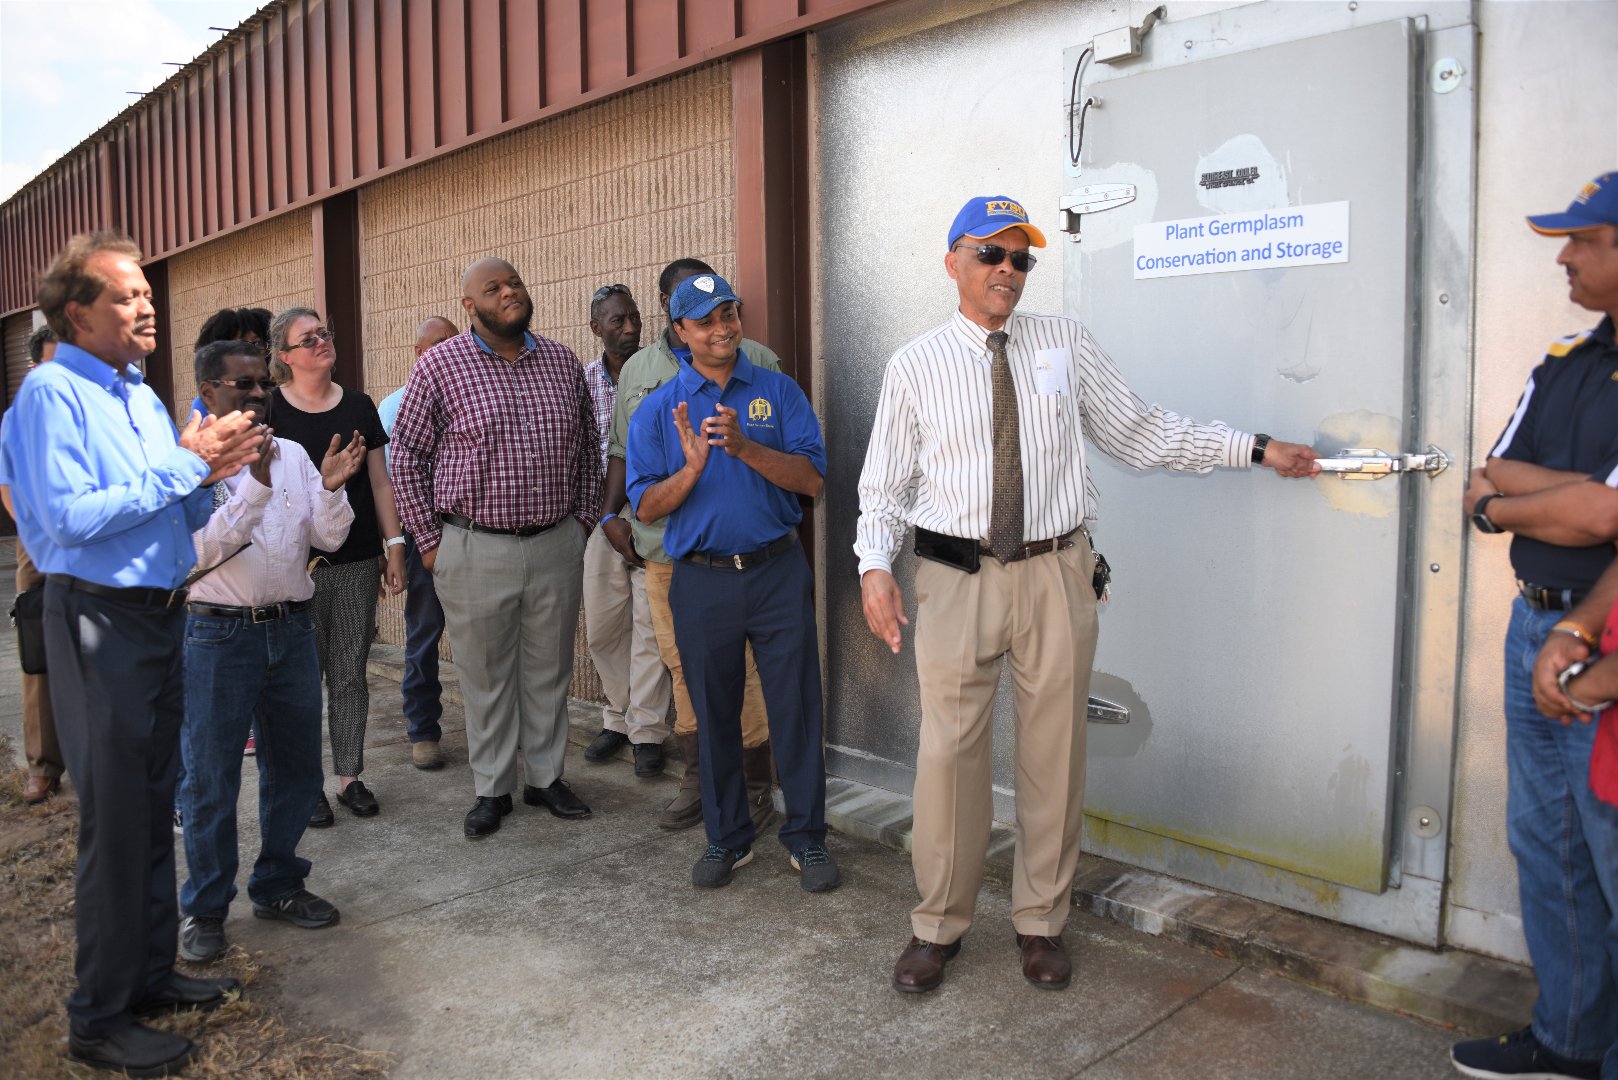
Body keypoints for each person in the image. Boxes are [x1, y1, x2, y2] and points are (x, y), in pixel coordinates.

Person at [854, 196, 1318, 994]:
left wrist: (1256, 446)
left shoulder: (1063, 343)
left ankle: (1041, 923)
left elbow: (1140, 431)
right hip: (955, 579)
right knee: (947, 759)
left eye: (1021, 258)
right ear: (952, 262)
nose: (1007, 270)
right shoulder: (915, 365)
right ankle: (938, 926)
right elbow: (885, 486)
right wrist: (872, 567)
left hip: (1055, 572)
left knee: (1054, 757)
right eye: (990, 255)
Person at [0, 232, 262, 1076]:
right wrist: (184, 465)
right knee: (114, 824)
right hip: (96, 622)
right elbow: (70, 519)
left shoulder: (143, 398)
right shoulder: (49, 394)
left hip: (159, 615)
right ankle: (97, 1016)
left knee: (155, 808)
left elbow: (174, 514)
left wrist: (212, 469)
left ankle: (150, 975)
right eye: (125, 295)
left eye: (147, 292)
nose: (146, 305)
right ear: (76, 312)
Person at [1454, 173, 1618, 1080]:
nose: (1563, 255)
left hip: (1606, 643)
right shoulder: (1567, 358)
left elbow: (1603, 520)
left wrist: (1518, 504)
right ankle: (1570, 1042)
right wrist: (1559, 498)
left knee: (1610, 854)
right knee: (1547, 845)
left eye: (1584, 239)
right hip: (1536, 630)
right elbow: (1489, 473)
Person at [627, 272, 838, 892]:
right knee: (714, 712)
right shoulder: (660, 409)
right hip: (701, 581)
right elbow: (644, 506)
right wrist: (691, 469)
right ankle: (727, 837)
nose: (723, 328)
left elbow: (812, 481)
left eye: (730, 314)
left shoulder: (778, 390)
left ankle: (807, 838)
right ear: (681, 332)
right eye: (707, 320)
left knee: (796, 708)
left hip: (776, 571)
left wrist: (745, 448)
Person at [390, 257, 602, 839]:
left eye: (515, 283)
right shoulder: (440, 366)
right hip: (473, 547)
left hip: (555, 543)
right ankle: (491, 788)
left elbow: (589, 448)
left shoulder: (560, 362)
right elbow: (405, 455)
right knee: (484, 676)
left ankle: (545, 778)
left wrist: (582, 522)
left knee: (548, 670)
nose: (509, 292)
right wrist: (430, 543)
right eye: (494, 288)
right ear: (470, 306)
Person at [178, 341, 364, 965]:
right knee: (211, 779)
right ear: (208, 393)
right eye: (242, 385)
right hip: (218, 636)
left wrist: (334, 491)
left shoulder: (292, 454)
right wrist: (253, 490)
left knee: (295, 770)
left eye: (263, 384)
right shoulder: (188, 463)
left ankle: (279, 885)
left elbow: (329, 537)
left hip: (289, 630)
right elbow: (193, 557)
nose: (258, 395)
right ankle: (205, 908)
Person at [606, 258, 782, 831]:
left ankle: (755, 784)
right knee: (682, 667)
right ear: (671, 314)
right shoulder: (638, 371)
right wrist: (612, 514)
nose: (716, 324)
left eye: (722, 310)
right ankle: (699, 778)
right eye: (694, 310)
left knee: (746, 670)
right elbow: (622, 453)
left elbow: (787, 459)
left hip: (739, 556)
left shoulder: (759, 362)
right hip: (667, 551)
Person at [268, 307, 407, 825]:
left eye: (324, 333)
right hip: (291, 568)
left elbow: (379, 483)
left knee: (349, 673)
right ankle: (306, 786)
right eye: (308, 339)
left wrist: (394, 545)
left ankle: (349, 775)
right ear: (284, 357)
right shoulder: (270, 412)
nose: (322, 342)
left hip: (354, 561)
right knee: (302, 681)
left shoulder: (358, 405)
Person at [580, 283, 671, 777]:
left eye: (634, 317)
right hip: (602, 517)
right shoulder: (581, 381)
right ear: (597, 328)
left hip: (652, 516)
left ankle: (647, 731)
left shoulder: (659, 374)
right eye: (618, 320)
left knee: (650, 628)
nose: (631, 327)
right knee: (603, 625)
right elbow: (578, 456)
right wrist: (602, 519)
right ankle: (619, 715)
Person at [378, 315, 459, 770]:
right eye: (437, 345)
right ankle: (423, 729)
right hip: (418, 536)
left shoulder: (473, 395)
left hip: (472, 531)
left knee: (484, 638)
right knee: (424, 634)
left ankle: (502, 724)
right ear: (419, 354)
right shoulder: (394, 408)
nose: (447, 351)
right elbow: (385, 485)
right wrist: (393, 548)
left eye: (454, 341)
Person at [2, 324, 64, 804]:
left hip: (100, 539)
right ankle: (43, 764)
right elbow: (9, 486)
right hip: (41, 544)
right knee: (39, 649)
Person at [188, 306, 273, 422]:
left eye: (256, 343)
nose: (250, 351)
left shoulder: (277, 395)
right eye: (240, 345)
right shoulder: (205, 404)